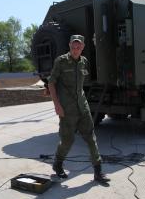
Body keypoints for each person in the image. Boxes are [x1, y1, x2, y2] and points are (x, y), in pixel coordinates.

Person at [47, 35, 110, 183]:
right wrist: (57, 105)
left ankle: (98, 171)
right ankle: (58, 164)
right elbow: (51, 83)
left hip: (83, 107)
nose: (76, 49)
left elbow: (80, 86)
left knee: (91, 138)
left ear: (83, 47)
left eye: (79, 47)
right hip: (67, 110)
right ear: (69, 45)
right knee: (67, 140)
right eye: (73, 46)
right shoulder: (61, 61)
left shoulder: (84, 62)